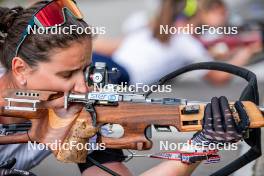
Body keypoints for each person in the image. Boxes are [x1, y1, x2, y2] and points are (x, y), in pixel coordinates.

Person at [0, 1, 249, 176]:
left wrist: (201, 145)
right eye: (66, 74)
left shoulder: (81, 110)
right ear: (20, 70)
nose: (84, 86)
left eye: (86, 70)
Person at [94, 0, 261, 86]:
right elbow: (219, 78)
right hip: (120, 75)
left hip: (110, 67)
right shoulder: (186, 42)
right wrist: (246, 53)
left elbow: (110, 46)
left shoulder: (150, 26)